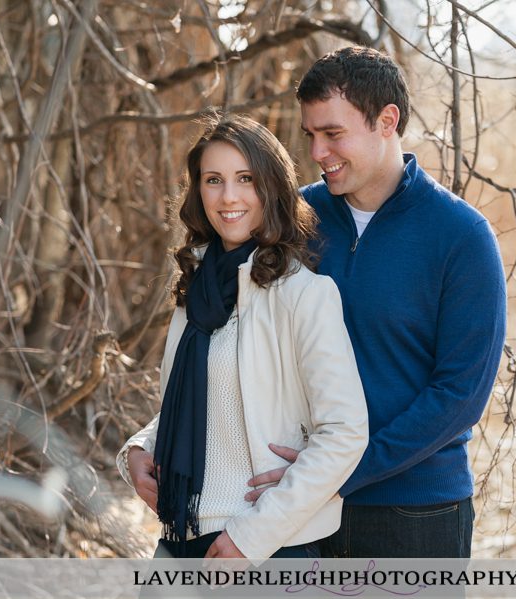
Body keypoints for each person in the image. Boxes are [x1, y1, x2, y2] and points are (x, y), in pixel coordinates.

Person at [243, 46, 508, 558]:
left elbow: (459, 396)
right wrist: (151, 442)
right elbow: (229, 338)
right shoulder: (294, 222)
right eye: (311, 135)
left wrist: (337, 473)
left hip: (410, 514)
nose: (318, 152)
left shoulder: (461, 236)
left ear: (387, 121)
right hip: (290, 505)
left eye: (334, 134)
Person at [116, 114, 368, 561]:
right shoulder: (194, 291)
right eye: (213, 180)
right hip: (179, 537)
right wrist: (139, 449)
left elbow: (345, 433)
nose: (228, 196)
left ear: (271, 187)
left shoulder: (303, 295)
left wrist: (251, 538)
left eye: (245, 178)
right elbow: (199, 404)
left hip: (264, 548)